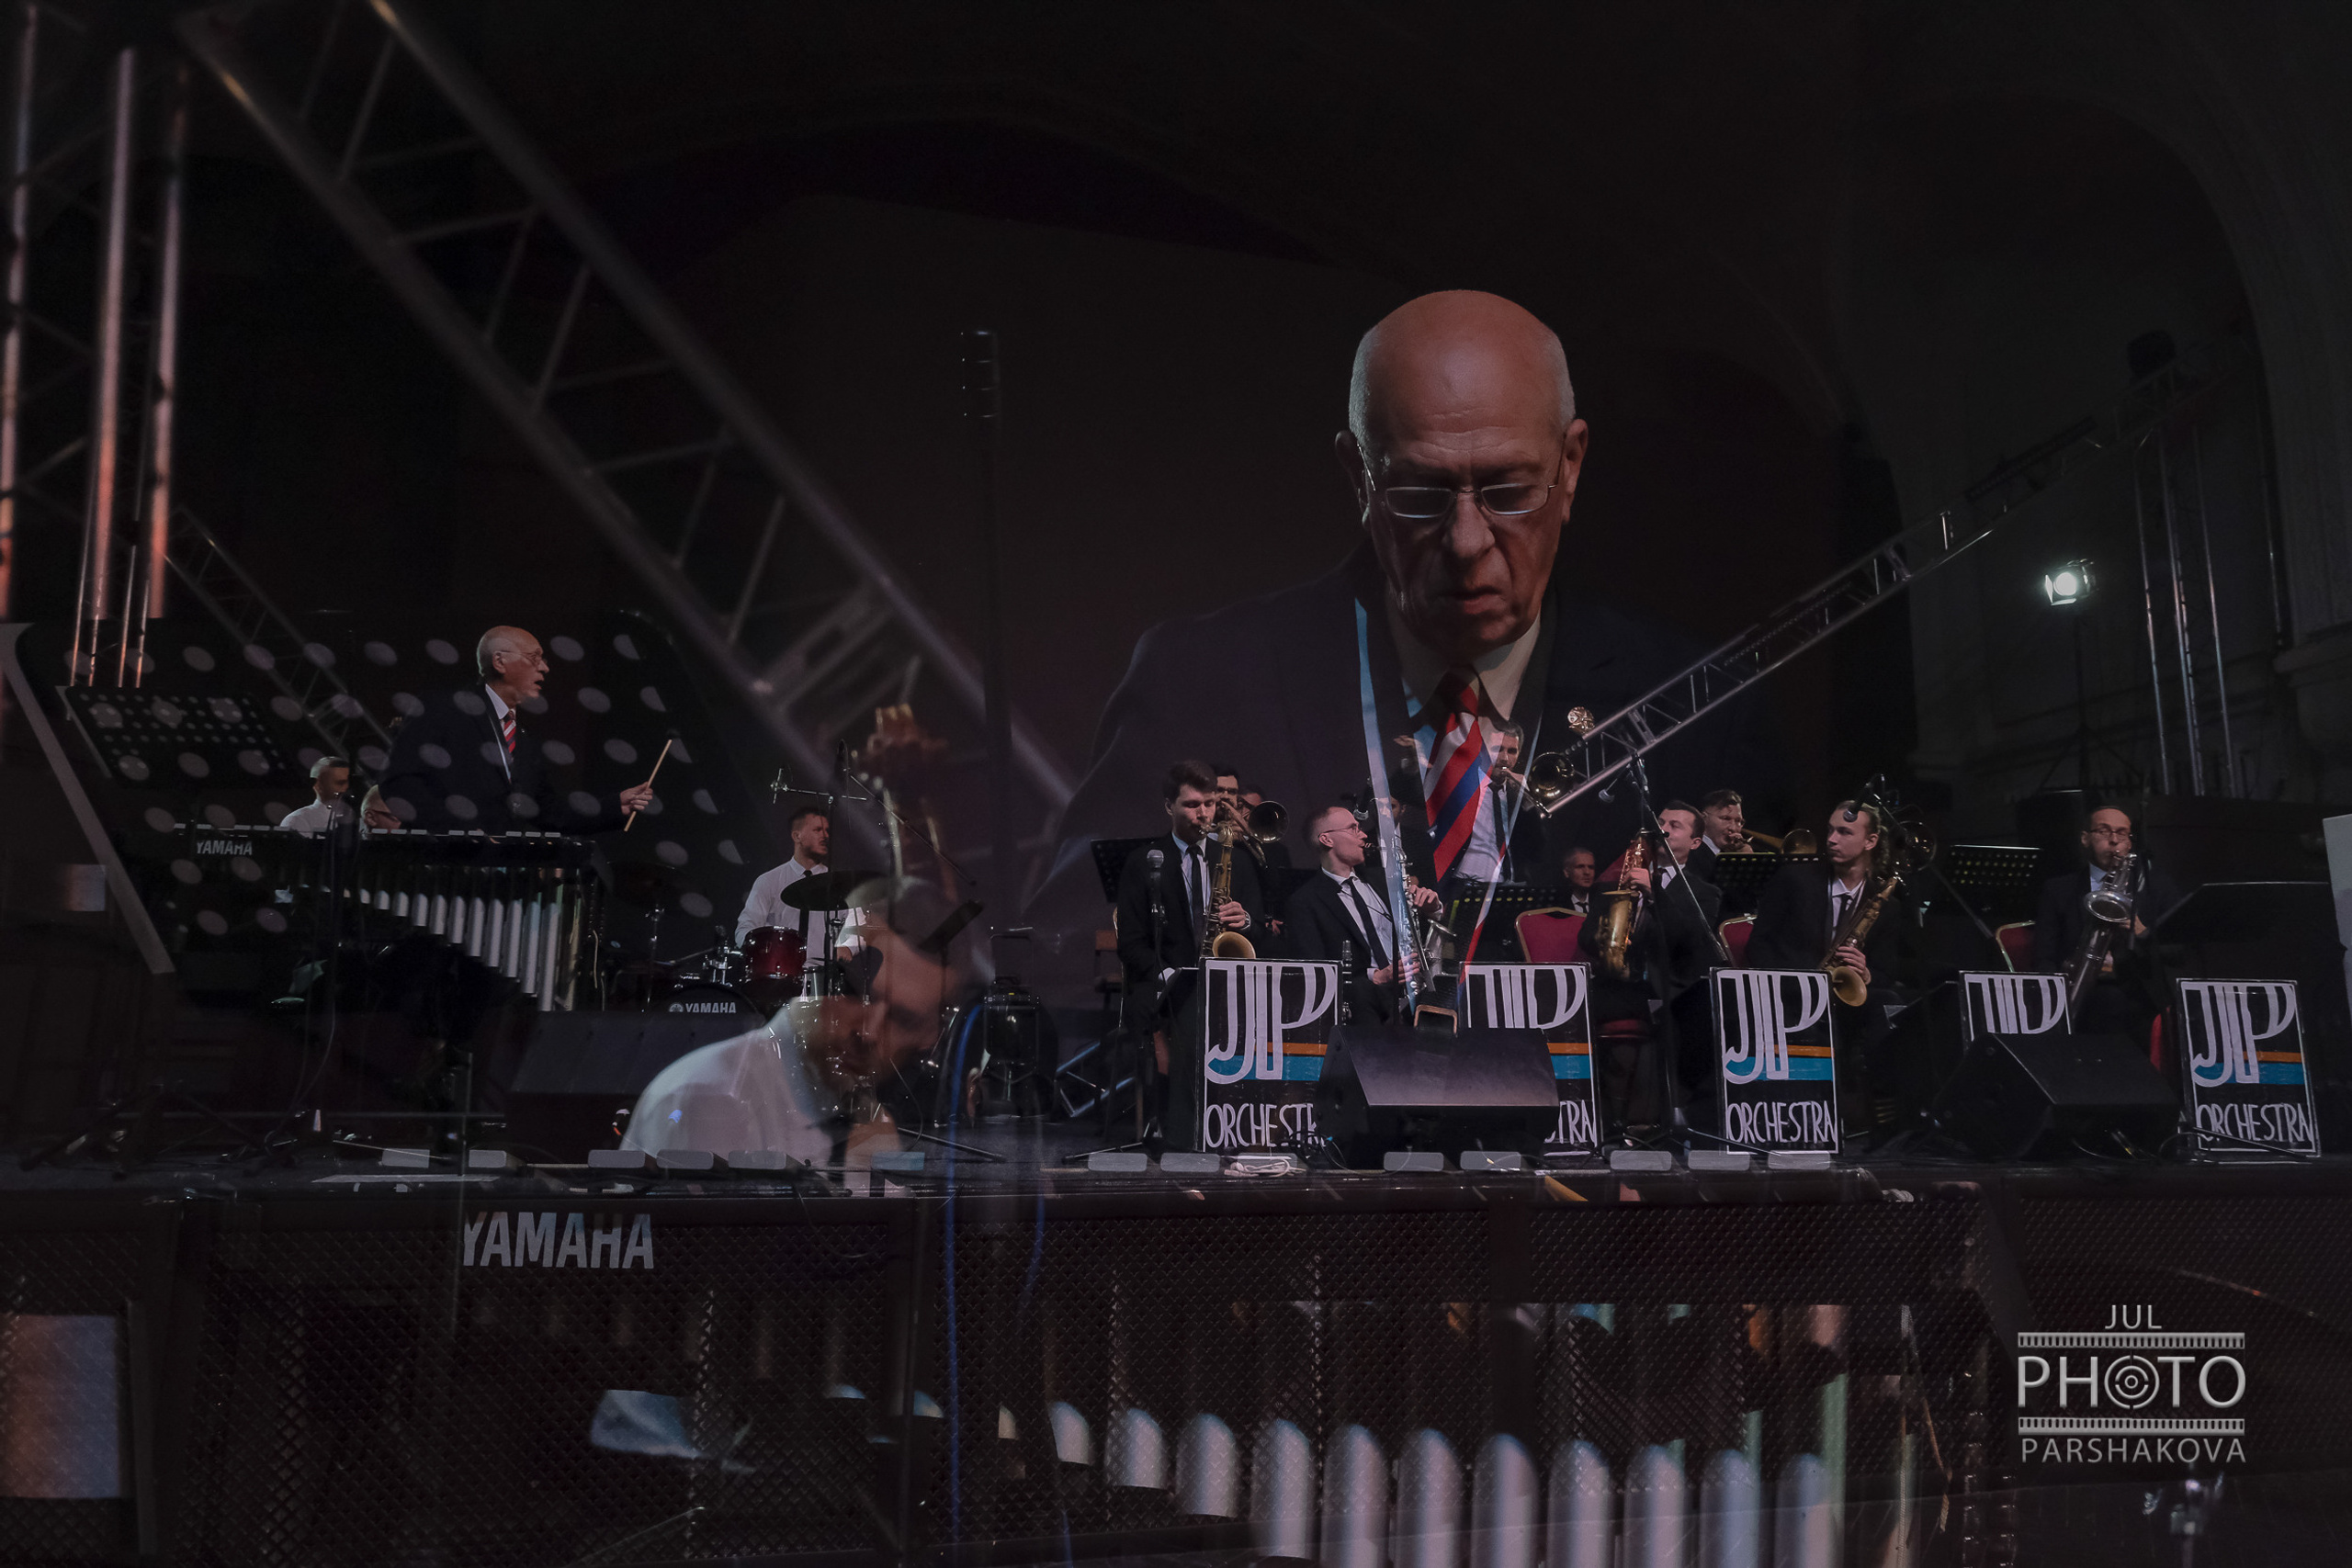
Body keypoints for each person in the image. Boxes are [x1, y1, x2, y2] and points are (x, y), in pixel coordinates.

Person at [1037, 290, 1781, 971]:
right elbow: (1071, 960)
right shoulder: (1197, 678)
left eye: (1509, 491)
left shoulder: (1698, 698)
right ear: (1358, 476)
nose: (1465, 541)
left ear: (1572, 464)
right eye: (1421, 492)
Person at [1114, 761, 1268, 1138]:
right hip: (1162, 980)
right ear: (1169, 806)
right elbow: (1130, 943)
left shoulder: (1237, 859)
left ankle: (1245, 1127)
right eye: (1193, 805)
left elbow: (1261, 933)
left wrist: (1244, 921)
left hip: (1225, 981)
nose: (1204, 813)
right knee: (1188, 1009)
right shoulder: (1143, 862)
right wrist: (1171, 976)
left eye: (1211, 804)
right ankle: (1186, 1134)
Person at [378, 626, 654, 832]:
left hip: (496, 876)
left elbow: (549, 812)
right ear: (500, 662)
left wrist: (614, 806)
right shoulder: (442, 709)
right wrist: (461, 833)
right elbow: (400, 783)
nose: (545, 668)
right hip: (441, 869)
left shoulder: (524, 740)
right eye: (535, 658)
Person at [1746, 801, 1905, 1138]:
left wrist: (1867, 972)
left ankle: (1884, 1114)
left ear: (1871, 841)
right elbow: (1758, 946)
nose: (1831, 839)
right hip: (1792, 990)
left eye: (1844, 832)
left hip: (1846, 997)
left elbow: (1888, 970)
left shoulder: (1886, 904)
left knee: (1890, 1002)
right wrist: (1805, 977)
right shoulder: (1794, 880)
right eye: (1830, 830)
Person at [1576, 808, 1722, 1134]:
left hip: (1673, 986)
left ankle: (1676, 1115)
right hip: (1621, 983)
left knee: (1694, 1012)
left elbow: (1688, 940)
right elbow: (1585, 937)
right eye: (1660, 823)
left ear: (1696, 842)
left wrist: (1655, 892)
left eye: (1675, 825)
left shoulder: (1705, 894)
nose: (1663, 829)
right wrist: (1601, 935)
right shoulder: (1613, 881)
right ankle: (1612, 1121)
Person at [2030, 806, 2182, 1039]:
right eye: (2103, 831)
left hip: (2140, 990)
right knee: (2107, 1005)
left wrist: (2142, 933)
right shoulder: (2058, 890)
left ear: (2130, 843)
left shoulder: (2156, 886)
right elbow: (2044, 957)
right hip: (2083, 992)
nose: (2113, 841)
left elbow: (2178, 952)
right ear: (2085, 839)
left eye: (2122, 834)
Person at [1283, 804, 1442, 1023]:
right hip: (1362, 1013)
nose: (1364, 834)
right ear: (1326, 839)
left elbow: (1415, 931)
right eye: (1353, 828)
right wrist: (1375, 977)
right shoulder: (1304, 902)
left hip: (1414, 1002)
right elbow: (1315, 976)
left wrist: (1432, 909)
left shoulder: (1384, 882)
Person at [736, 807, 863, 955]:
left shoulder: (839, 883)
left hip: (822, 972)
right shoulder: (769, 881)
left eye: (827, 831)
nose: (825, 836)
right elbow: (745, 927)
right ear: (797, 836)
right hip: (779, 968)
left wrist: (849, 948)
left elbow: (860, 926)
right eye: (818, 830)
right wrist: (759, 948)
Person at [279, 756, 356, 835]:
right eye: (340, 783)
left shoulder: (357, 820)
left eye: (349, 782)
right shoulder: (298, 820)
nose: (346, 788)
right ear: (318, 786)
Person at [1556, 845, 1599, 915]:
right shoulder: (1558, 906)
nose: (1587, 872)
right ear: (1567, 872)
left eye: (1591, 867)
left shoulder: (1603, 904)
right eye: (1580, 867)